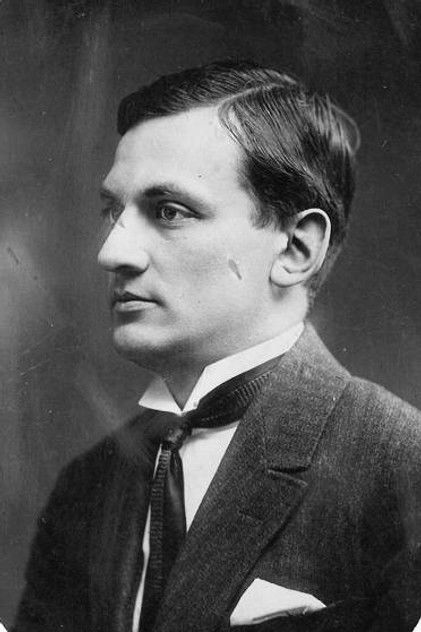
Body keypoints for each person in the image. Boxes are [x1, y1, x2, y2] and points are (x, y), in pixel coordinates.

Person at [14, 61, 421, 632]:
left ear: (295, 249)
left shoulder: (401, 466)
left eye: (169, 212)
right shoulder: (87, 484)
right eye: (113, 211)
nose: (112, 252)